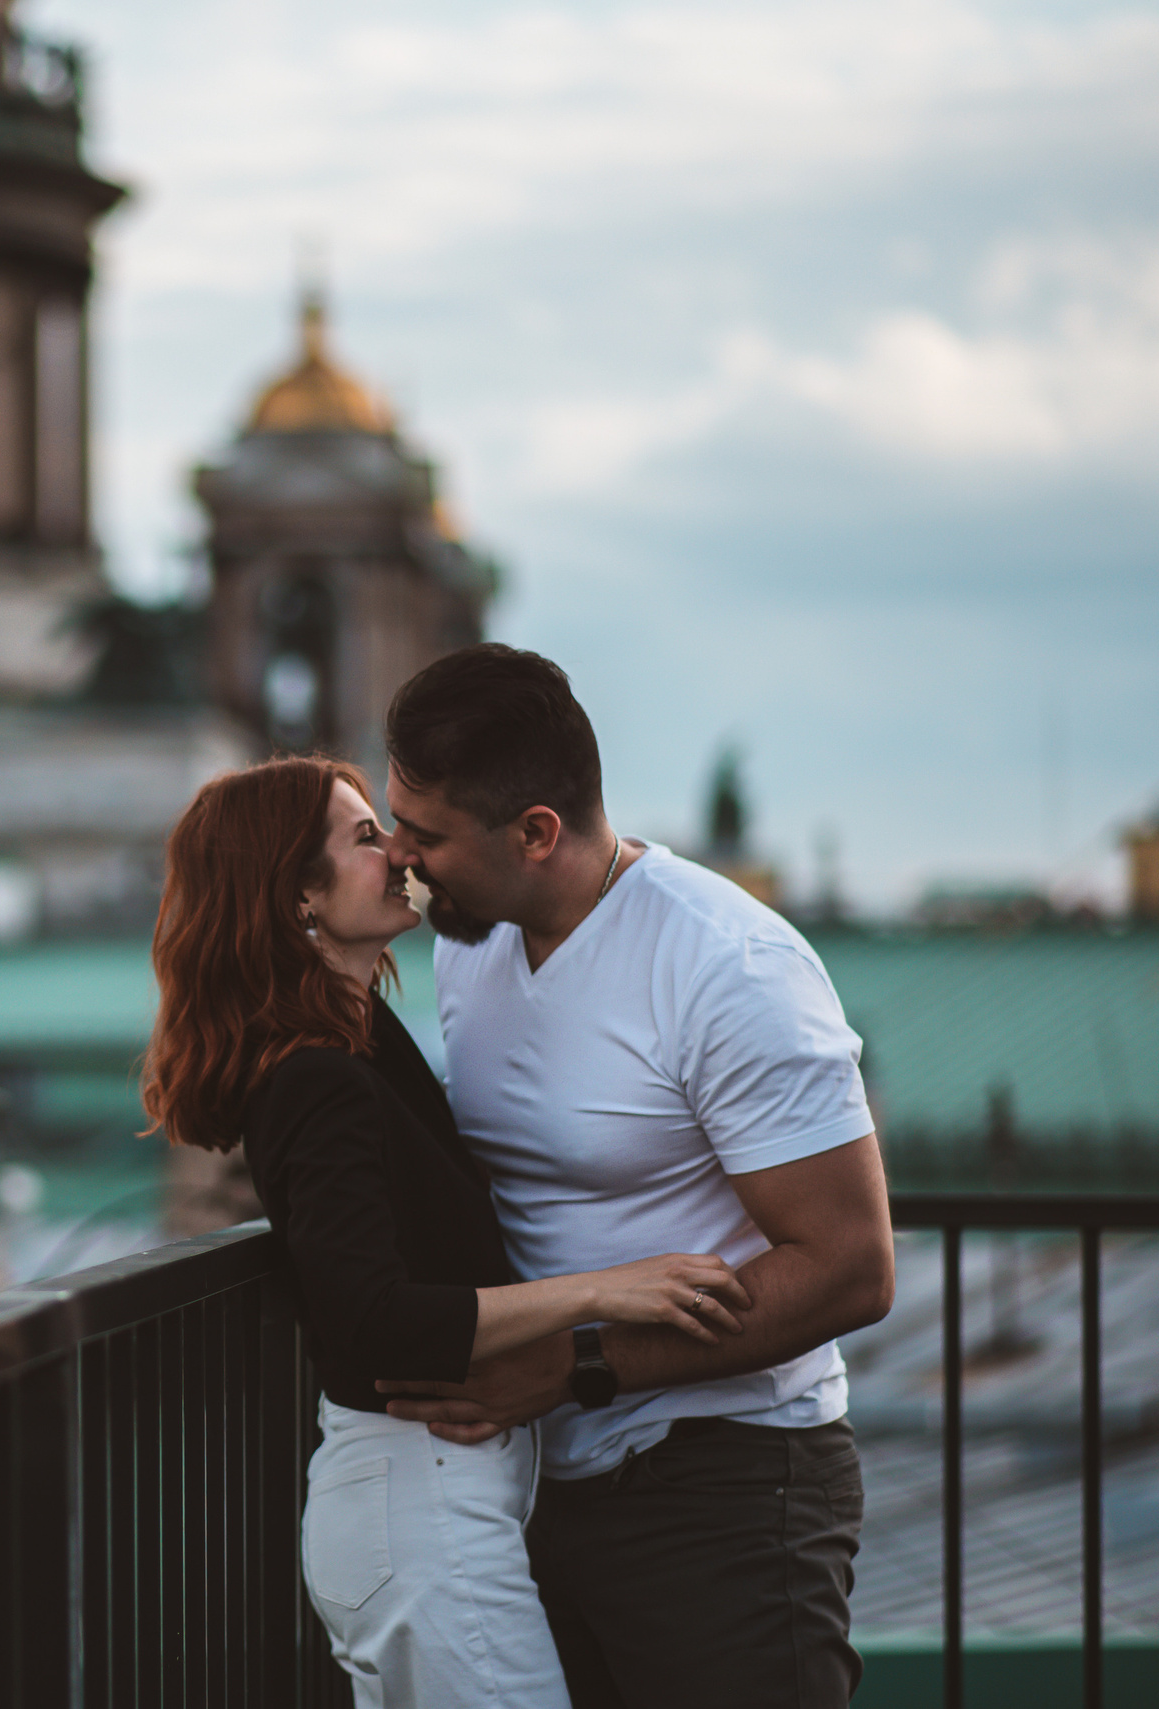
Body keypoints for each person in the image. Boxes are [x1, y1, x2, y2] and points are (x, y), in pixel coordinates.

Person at [143, 755, 753, 1707]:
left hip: (441, 1505)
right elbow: (371, 1320)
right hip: (421, 1511)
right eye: (361, 838)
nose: (395, 852)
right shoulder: (317, 1078)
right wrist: (603, 1291)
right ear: (297, 894)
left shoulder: (363, 1042)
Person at [372, 645, 895, 1709]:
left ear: (535, 832)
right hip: (536, 1484)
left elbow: (850, 1269)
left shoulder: (726, 966)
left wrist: (574, 1367)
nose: (399, 858)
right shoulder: (473, 937)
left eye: (424, 836)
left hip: (725, 1486)